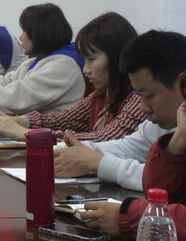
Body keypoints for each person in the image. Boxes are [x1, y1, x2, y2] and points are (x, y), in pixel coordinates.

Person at [79, 33, 186, 237]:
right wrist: (178, 141)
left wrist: (129, 218)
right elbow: (159, 193)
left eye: (149, 96)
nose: (143, 108)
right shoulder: (174, 124)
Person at [54, 30, 186, 193]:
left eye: (149, 96)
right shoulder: (162, 122)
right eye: (139, 96)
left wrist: (99, 163)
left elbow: (165, 180)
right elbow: (129, 147)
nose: (143, 108)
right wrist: (71, 151)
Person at [0, 12, 144, 142]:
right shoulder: (103, 94)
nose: (86, 70)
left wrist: (27, 133)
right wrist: (20, 121)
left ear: (117, 57)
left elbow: (103, 141)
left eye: (91, 59)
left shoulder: (139, 99)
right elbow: (62, 120)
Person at [0, 3, 85, 114]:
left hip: (50, 127)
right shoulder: (35, 62)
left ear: (39, 33)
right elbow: (6, 81)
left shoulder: (63, 66)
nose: (21, 37)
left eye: (25, 31)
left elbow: (15, 97)